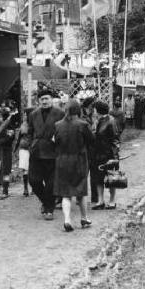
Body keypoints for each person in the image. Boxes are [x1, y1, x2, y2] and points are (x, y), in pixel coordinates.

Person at [53, 99, 94, 232]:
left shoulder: (57, 125)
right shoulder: (83, 124)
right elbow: (91, 140)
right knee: (81, 192)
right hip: (79, 160)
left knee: (66, 193)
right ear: (78, 110)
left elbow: (55, 142)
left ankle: (67, 220)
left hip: (62, 161)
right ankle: (84, 218)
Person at [27, 88, 65, 221]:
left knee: (51, 183)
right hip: (36, 151)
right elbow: (29, 132)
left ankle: (49, 209)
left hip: (53, 152)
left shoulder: (60, 113)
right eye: (42, 99)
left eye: (47, 99)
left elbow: (64, 131)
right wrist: (30, 144)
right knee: (34, 180)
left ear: (51, 100)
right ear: (38, 101)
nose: (44, 101)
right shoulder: (33, 114)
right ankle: (46, 202)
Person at [92, 100, 120, 210]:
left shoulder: (111, 121)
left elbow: (115, 140)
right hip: (98, 154)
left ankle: (112, 201)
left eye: (94, 110)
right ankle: (100, 201)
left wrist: (114, 157)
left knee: (111, 178)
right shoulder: (98, 121)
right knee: (98, 178)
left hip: (108, 155)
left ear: (98, 110)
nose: (93, 112)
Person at [0, 101, 19, 200]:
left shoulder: (9, 125)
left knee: (5, 170)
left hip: (5, 150)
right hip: (0, 150)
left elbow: (9, 138)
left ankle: (5, 191)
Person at [81, 97, 98, 204]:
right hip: (84, 147)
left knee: (95, 173)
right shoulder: (81, 115)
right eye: (93, 105)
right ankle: (80, 196)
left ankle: (95, 197)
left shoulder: (93, 114)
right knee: (83, 173)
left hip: (94, 147)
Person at [14, 109, 31, 197]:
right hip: (24, 148)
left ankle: (30, 188)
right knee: (25, 169)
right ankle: (25, 188)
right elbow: (20, 137)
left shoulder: (34, 124)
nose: (24, 116)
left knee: (31, 169)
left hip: (31, 148)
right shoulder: (23, 125)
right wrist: (16, 149)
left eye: (25, 114)